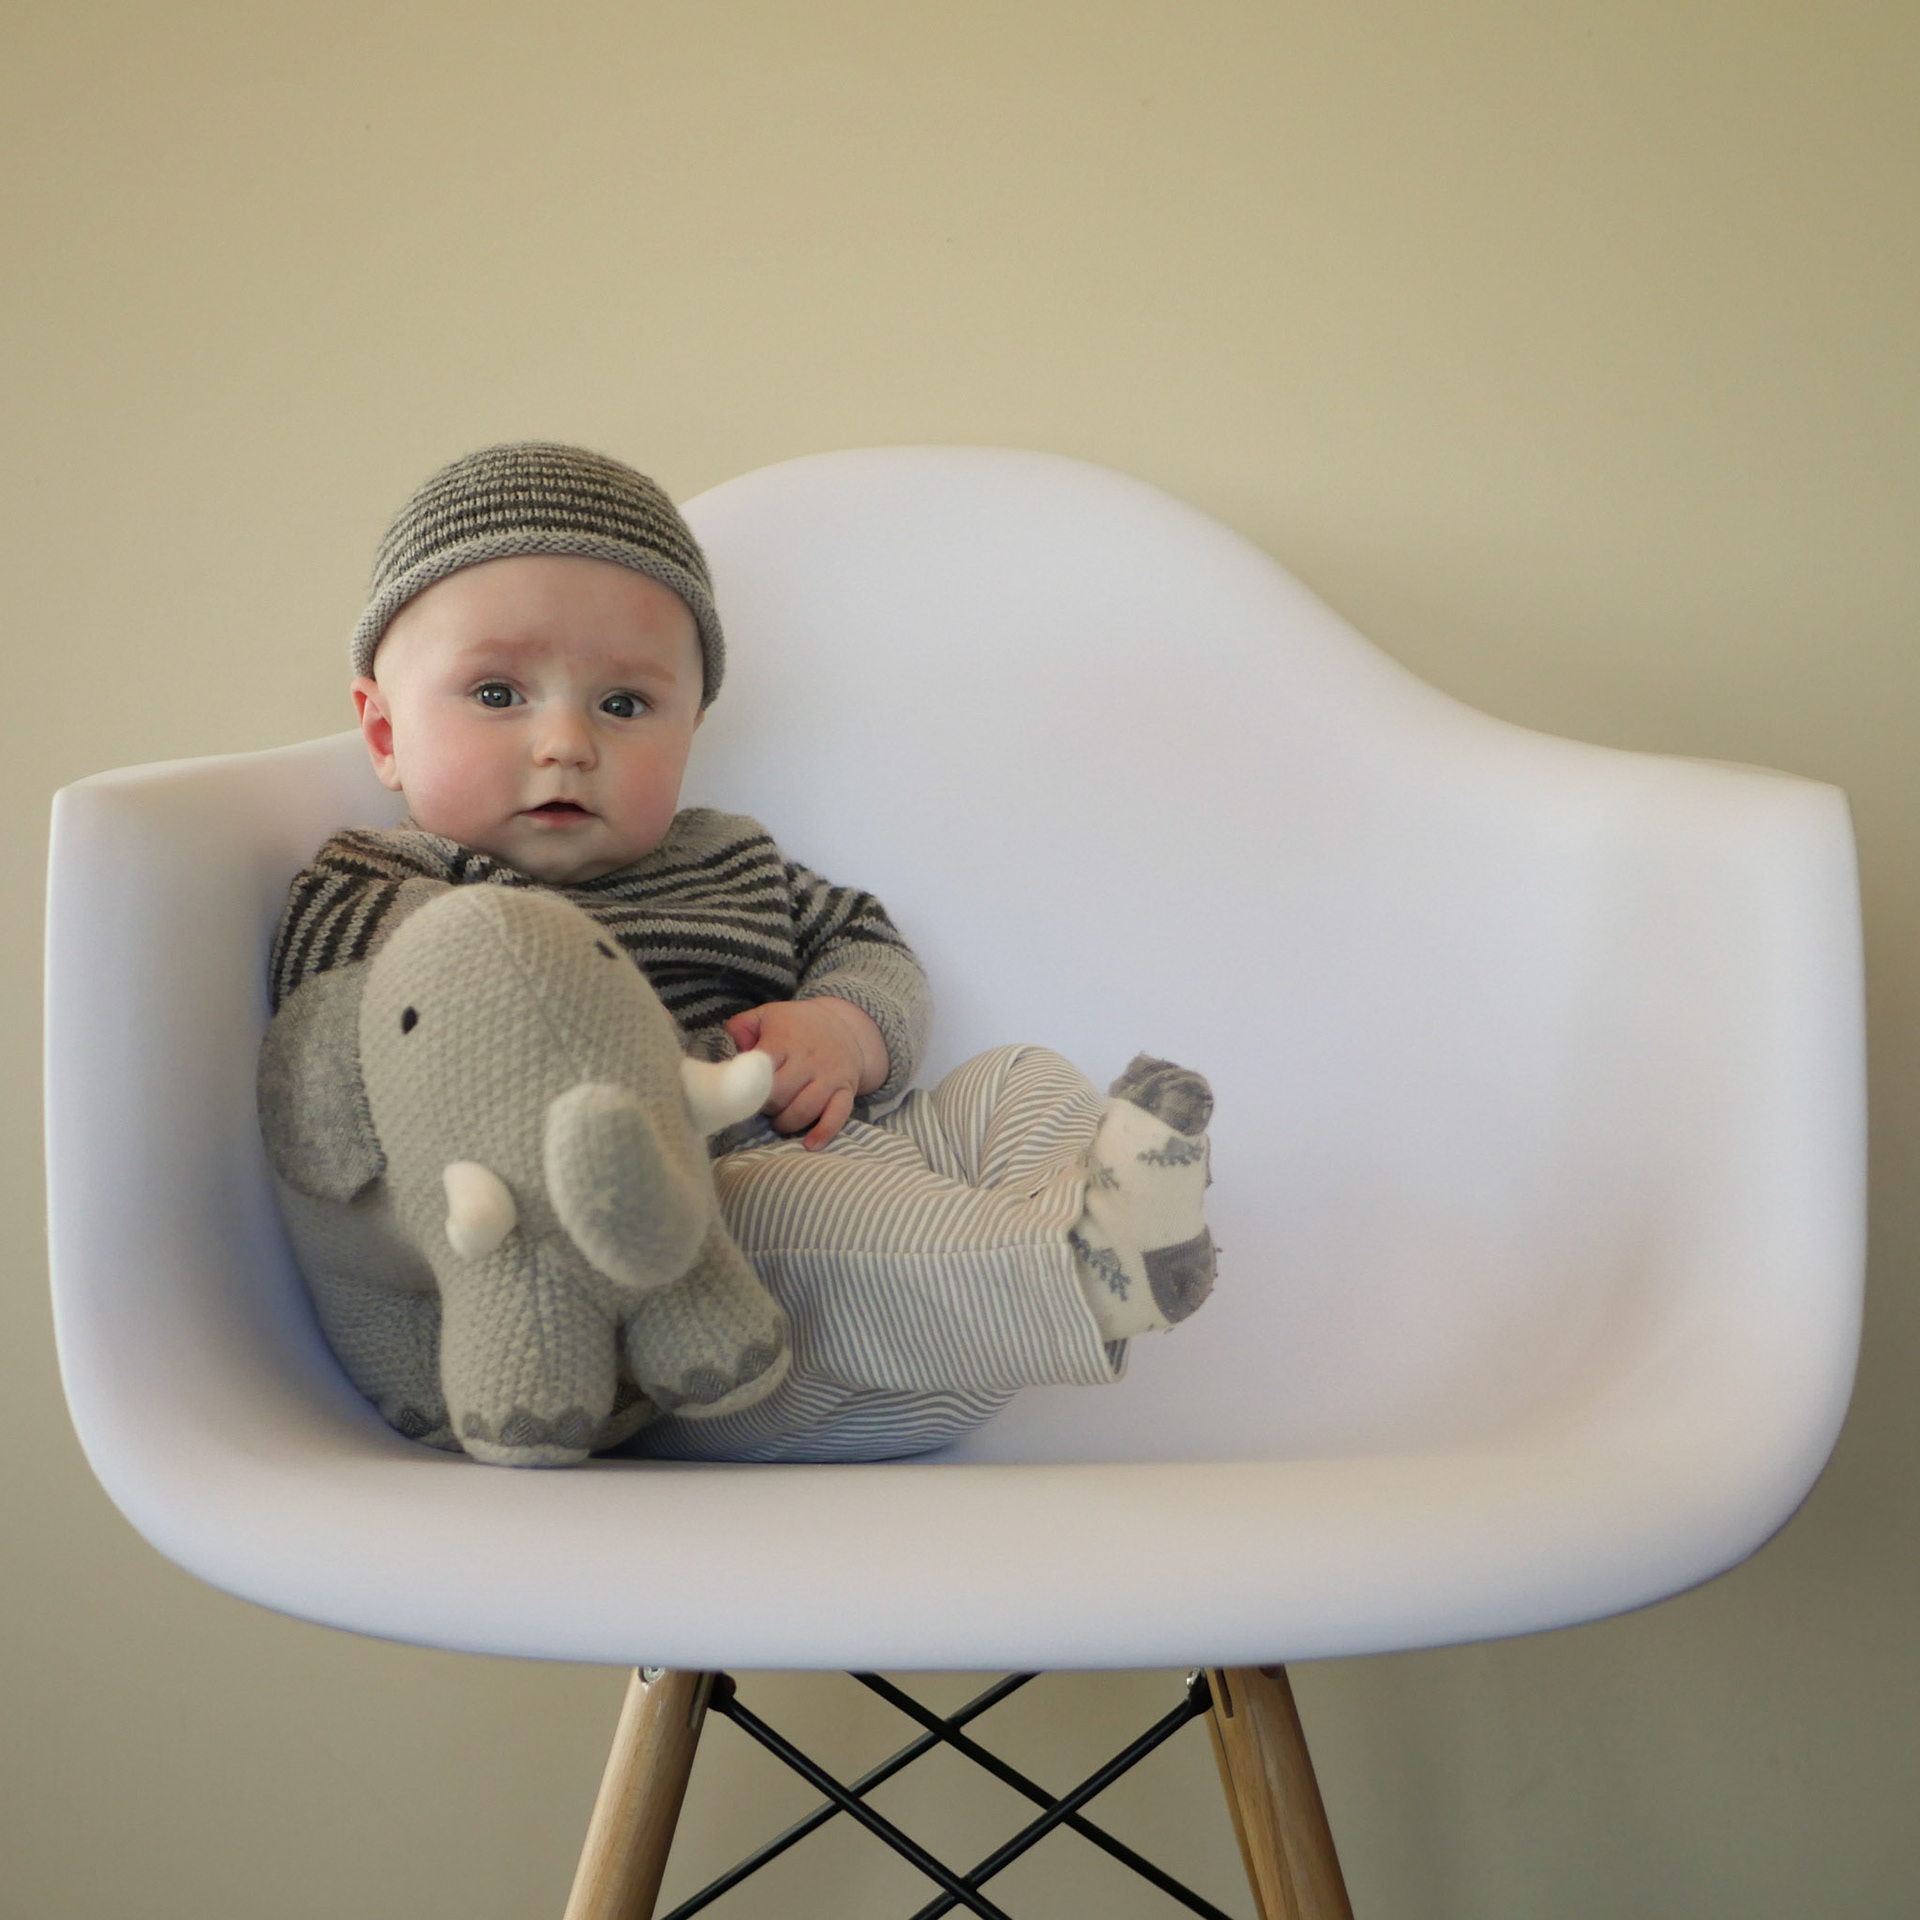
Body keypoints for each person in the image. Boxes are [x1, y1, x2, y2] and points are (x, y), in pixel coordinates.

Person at [270, 441, 1216, 1461]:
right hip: (677, 1298)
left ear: (691, 727)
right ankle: (1064, 1271)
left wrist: (845, 1030)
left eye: (624, 705)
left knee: (1011, 1080)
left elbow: (862, 941)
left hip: (880, 1303)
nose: (566, 743)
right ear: (384, 733)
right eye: (498, 693)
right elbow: (377, 1046)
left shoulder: (732, 857)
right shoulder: (387, 884)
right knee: (785, 1208)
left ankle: (1085, 1224)